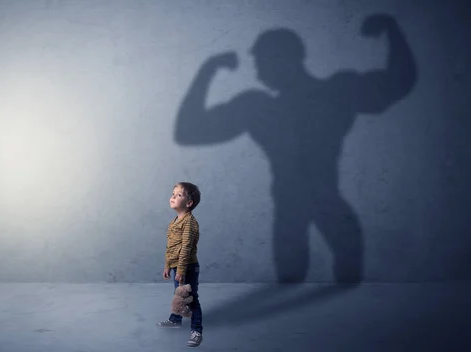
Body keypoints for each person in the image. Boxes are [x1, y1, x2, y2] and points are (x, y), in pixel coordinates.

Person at [174, 14, 417, 284]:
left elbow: (398, 82)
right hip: (307, 207)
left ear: (284, 59)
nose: (257, 70)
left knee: (337, 287)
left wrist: (209, 70)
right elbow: (188, 132)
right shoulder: (273, 106)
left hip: (305, 206)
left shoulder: (315, 97)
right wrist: (208, 69)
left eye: (262, 61)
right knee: (316, 286)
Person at [156, 182, 203, 347]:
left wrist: (181, 270)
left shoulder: (189, 222)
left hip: (187, 266)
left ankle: (196, 330)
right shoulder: (174, 221)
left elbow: (186, 248)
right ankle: (175, 319)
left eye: (179, 195)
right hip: (177, 266)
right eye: (173, 193)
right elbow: (171, 246)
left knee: (191, 299)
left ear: (189, 203)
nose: (173, 197)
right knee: (178, 294)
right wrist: (168, 266)